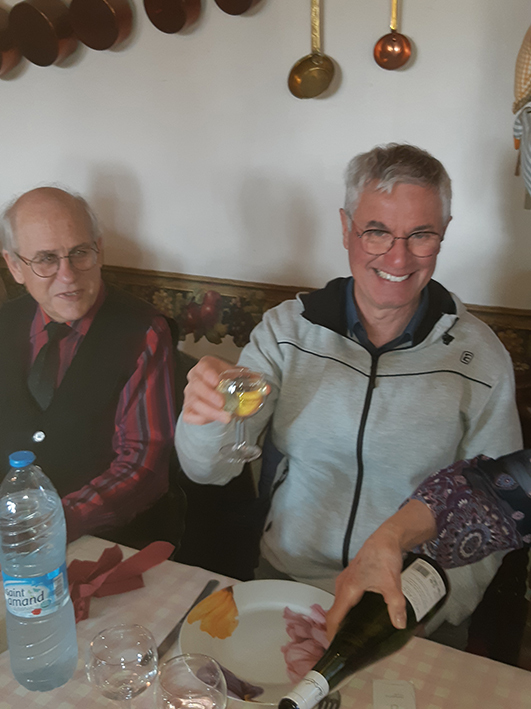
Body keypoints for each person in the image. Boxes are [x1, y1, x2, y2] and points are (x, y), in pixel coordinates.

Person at [175, 143, 522, 641]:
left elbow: (497, 508)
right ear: (345, 228)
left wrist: (427, 608)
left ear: (443, 233)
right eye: (376, 231)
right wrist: (207, 416)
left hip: (408, 605)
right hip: (286, 583)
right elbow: (209, 470)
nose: (397, 257)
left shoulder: (481, 357)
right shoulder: (286, 331)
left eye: (421, 234)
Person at [0, 186, 176, 543]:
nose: (68, 275)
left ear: (99, 250)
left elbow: (143, 464)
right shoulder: (5, 322)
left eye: (79, 253)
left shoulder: (143, 332)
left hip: (104, 540)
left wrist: (52, 523)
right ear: (15, 266)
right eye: (46, 259)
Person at [325, 448, 531, 637]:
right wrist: (390, 536)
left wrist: (426, 604)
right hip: (319, 589)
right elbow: (493, 490)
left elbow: (492, 526)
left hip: (421, 602)